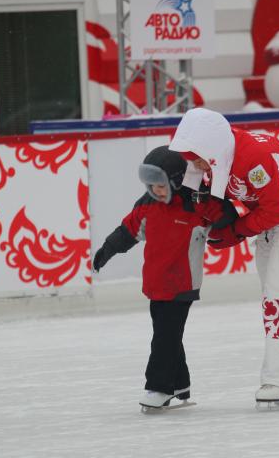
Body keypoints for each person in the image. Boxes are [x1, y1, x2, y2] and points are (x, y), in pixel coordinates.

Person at [169, 107, 279, 404]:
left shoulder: (251, 158)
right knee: (275, 292)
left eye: (197, 156)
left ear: (212, 146)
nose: (196, 164)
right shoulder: (210, 162)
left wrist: (236, 232)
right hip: (271, 214)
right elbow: (210, 204)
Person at [93, 145, 237, 409]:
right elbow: (126, 231)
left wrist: (220, 225)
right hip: (157, 284)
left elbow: (226, 214)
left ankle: (159, 387)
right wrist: (106, 251)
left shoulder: (195, 204)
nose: (156, 191)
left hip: (182, 284)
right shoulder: (147, 206)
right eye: (151, 186)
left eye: (161, 186)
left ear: (175, 181)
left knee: (164, 337)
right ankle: (180, 384)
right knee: (168, 334)